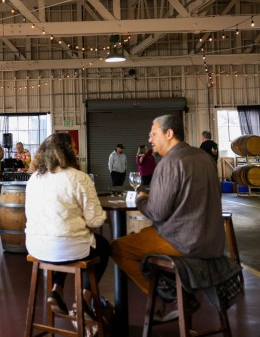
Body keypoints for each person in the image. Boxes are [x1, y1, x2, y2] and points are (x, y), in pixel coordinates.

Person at [111, 115, 224, 320]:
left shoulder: (169, 162)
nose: (150, 139)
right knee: (148, 235)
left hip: (184, 242)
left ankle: (169, 296)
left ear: (169, 133)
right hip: (214, 242)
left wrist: (141, 199)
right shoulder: (204, 158)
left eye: (154, 134)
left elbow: (157, 212)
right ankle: (173, 284)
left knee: (119, 248)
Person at [25, 132, 109, 317]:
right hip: (67, 247)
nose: (77, 150)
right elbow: (95, 220)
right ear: (68, 151)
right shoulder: (79, 177)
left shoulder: (34, 179)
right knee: (102, 246)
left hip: (36, 246)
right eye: (74, 146)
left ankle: (57, 290)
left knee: (62, 241)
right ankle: (84, 299)